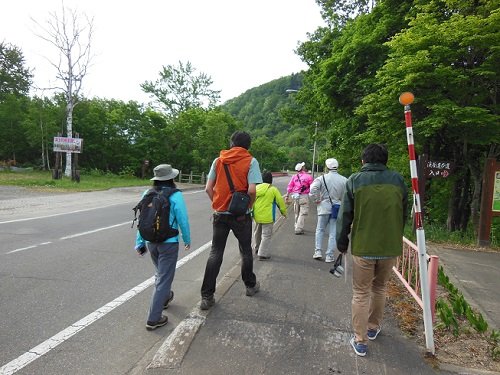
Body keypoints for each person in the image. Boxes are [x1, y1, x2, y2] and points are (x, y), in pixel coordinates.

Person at [336, 144, 408, 357]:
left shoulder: (355, 180)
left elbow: (345, 216)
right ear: (385, 161)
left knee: (361, 292)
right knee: (380, 288)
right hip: (389, 246)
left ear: (363, 161)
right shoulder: (398, 180)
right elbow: (403, 213)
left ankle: (360, 340)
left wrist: (342, 242)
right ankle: (373, 327)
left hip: (363, 246)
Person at [200, 131, 263, 310]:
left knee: (215, 252)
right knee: (245, 250)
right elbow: (252, 191)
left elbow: (207, 188)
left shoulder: (218, 160)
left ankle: (207, 297)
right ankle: (250, 286)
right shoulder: (251, 161)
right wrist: (248, 207)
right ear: (248, 145)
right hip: (241, 216)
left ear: (231, 143)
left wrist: (218, 203)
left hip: (220, 214)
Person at [135, 164, 191, 330]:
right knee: (163, 278)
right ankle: (153, 319)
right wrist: (186, 239)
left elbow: (143, 219)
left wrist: (139, 242)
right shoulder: (176, 195)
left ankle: (165, 297)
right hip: (169, 243)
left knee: (161, 274)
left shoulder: (148, 193)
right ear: (171, 178)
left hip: (151, 242)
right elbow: (183, 220)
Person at [309, 158, 347, 262]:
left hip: (324, 206)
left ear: (327, 167)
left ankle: (318, 251)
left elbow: (312, 189)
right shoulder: (344, 179)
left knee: (320, 229)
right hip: (337, 208)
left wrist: (316, 200)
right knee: (333, 232)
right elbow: (347, 195)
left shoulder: (321, 178)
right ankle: (329, 255)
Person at [252, 171, 287, 260]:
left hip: (256, 216)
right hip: (268, 217)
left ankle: (256, 248)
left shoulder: (256, 188)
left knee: (257, 233)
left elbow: (251, 201)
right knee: (266, 235)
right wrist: (284, 213)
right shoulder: (273, 189)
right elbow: (280, 202)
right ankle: (262, 253)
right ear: (271, 180)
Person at [285, 162, 313, 235]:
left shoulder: (294, 177)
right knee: (303, 213)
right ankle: (298, 228)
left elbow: (290, 187)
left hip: (295, 196)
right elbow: (312, 187)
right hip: (304, 196)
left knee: (297, 212)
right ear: (302, 168)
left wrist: (287, 196)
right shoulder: (308, 177)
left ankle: (296, 226)